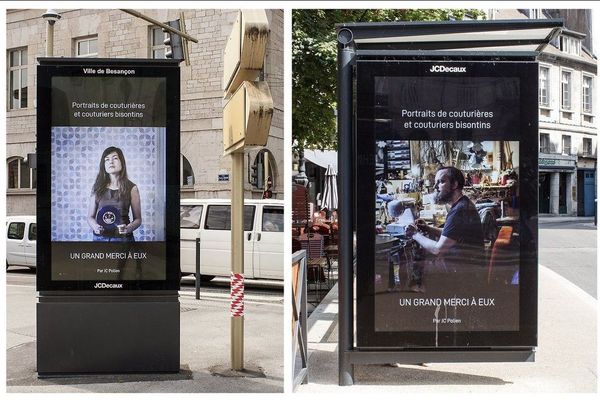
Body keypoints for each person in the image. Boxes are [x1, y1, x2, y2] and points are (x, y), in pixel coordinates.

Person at [406, 166, 485, 287]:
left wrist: (415, 234)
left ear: (454, 185)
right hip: (468, 265)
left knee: (415, 265)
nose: (435, 187)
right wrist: (428, 228)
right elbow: (452, 234)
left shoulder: (459, 210)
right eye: (436, 182)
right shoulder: (463, 203)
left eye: (441, 182)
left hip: (464, 272)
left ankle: (420, 301)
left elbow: (438, 249)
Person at [87, 146, 142, 242]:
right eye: (107, 160)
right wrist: (95, 226)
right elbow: (90, 217)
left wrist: (128, 228)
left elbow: (138, 219)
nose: (110, 162)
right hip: (100, 239)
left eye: (115, 158)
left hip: (123, 240)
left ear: (122, 162)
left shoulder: (132, 188)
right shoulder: (97, 187)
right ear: (103, 165)